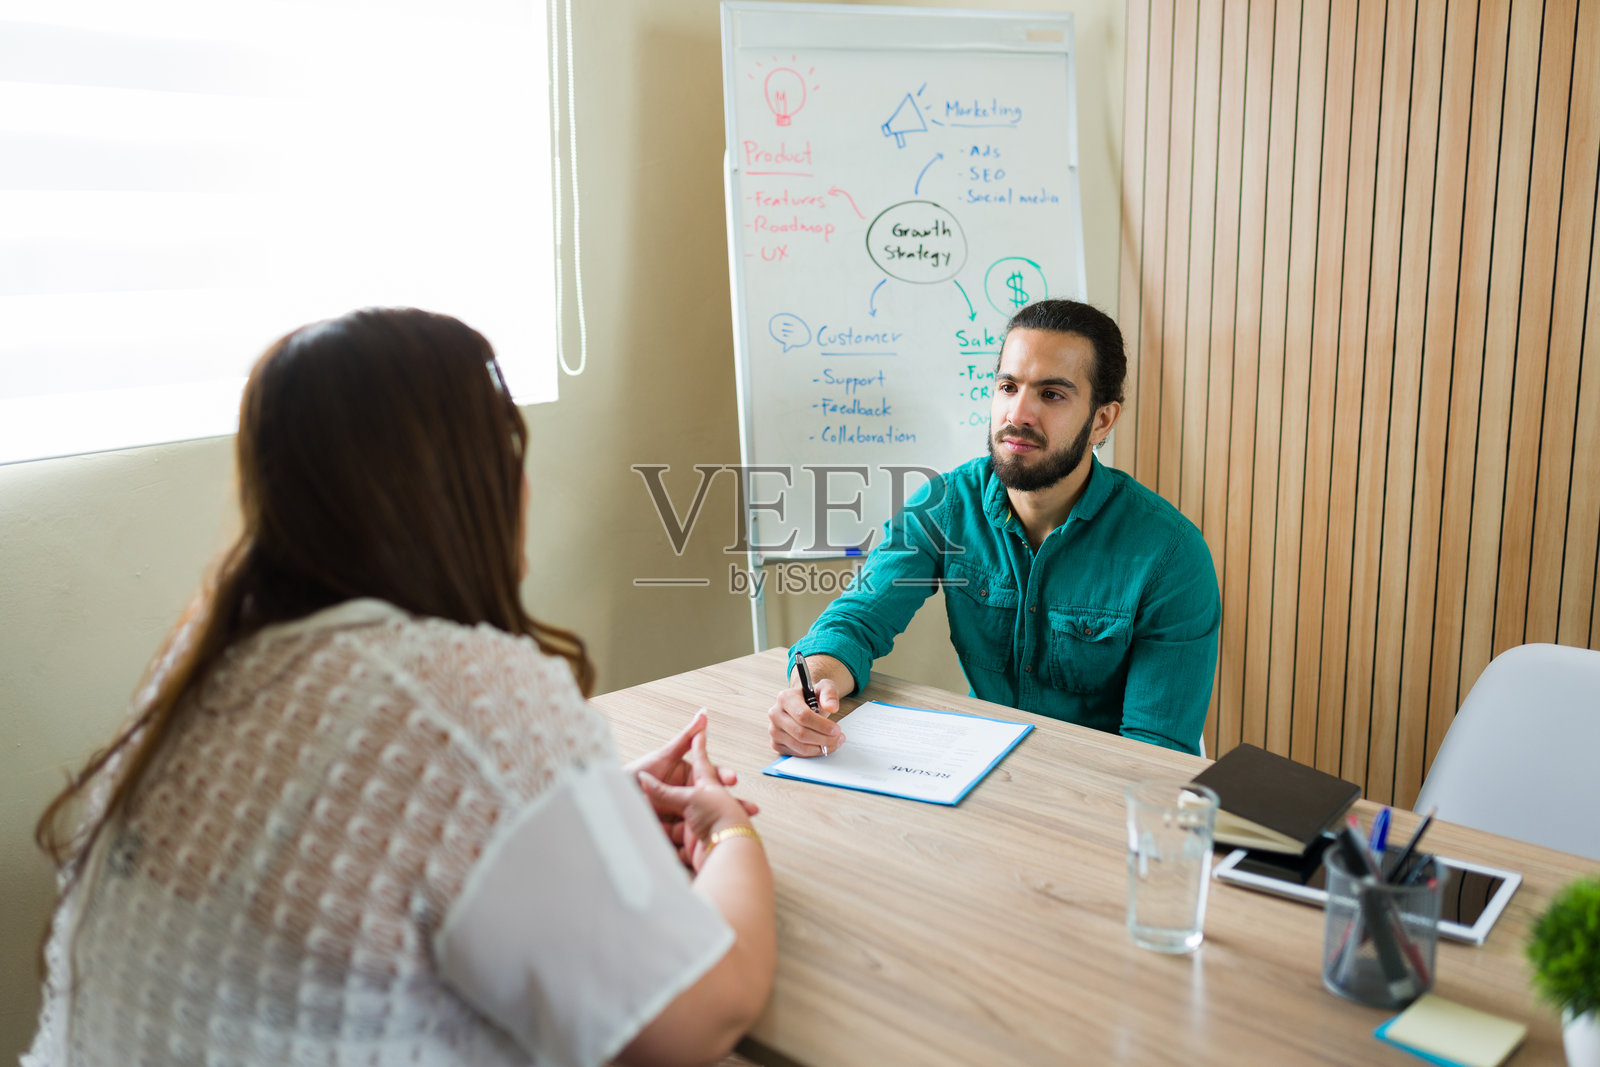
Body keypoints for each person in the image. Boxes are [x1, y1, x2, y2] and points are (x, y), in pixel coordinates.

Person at [28, 308, 774, 1067]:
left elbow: (370, 852)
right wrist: (727, 835)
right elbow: (697, 1018)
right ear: (474, 486)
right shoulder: (462, 694)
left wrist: (582, 810)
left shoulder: (213, 656)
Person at [769, 299, 1220, 757]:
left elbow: (1155, 754)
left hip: (1093, 786)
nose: (1017, 414)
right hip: (978, 767)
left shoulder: (1170, 555)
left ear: (1101, 421)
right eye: (1008, 386)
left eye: (1052, 394)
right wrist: (814, 688)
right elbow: (856, 621)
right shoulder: (945, 505)